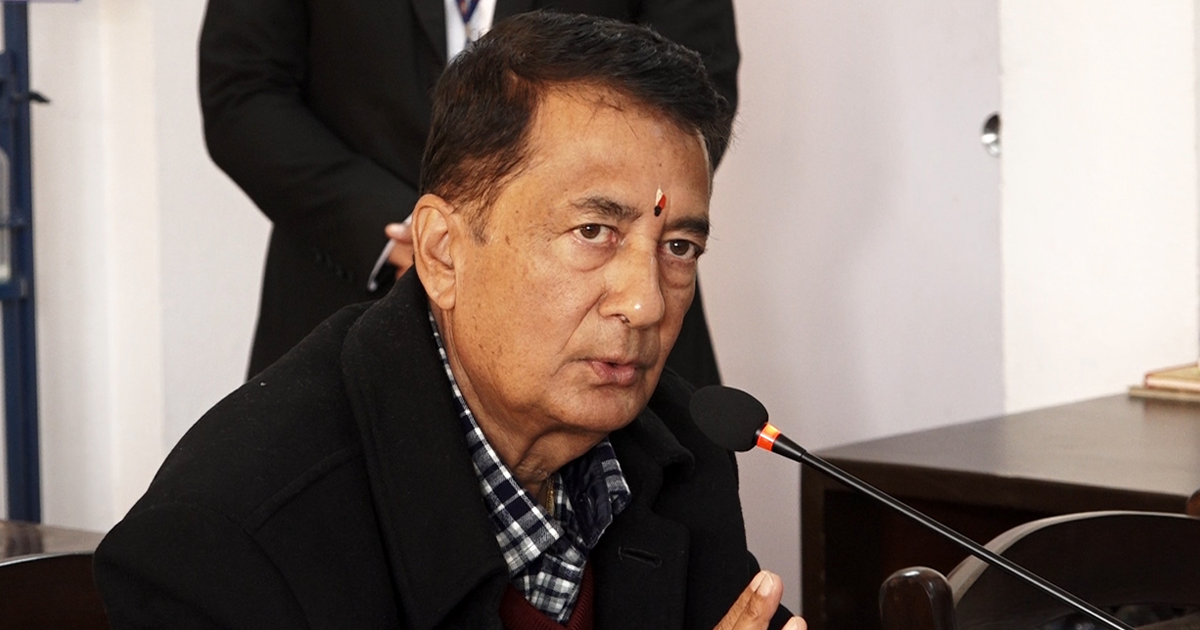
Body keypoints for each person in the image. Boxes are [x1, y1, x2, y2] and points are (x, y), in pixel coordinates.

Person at [96, 13, 803, 630]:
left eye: (678, 247)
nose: (645, 304)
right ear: (441, 252)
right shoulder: (229, 538)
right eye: (593, 232)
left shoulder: (682, 447)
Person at [200, 0, 737, 385]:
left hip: (603, 321)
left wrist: (571, 228)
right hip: (347, 295)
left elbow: (695, 103)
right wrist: (407, 232)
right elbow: (243, 93)